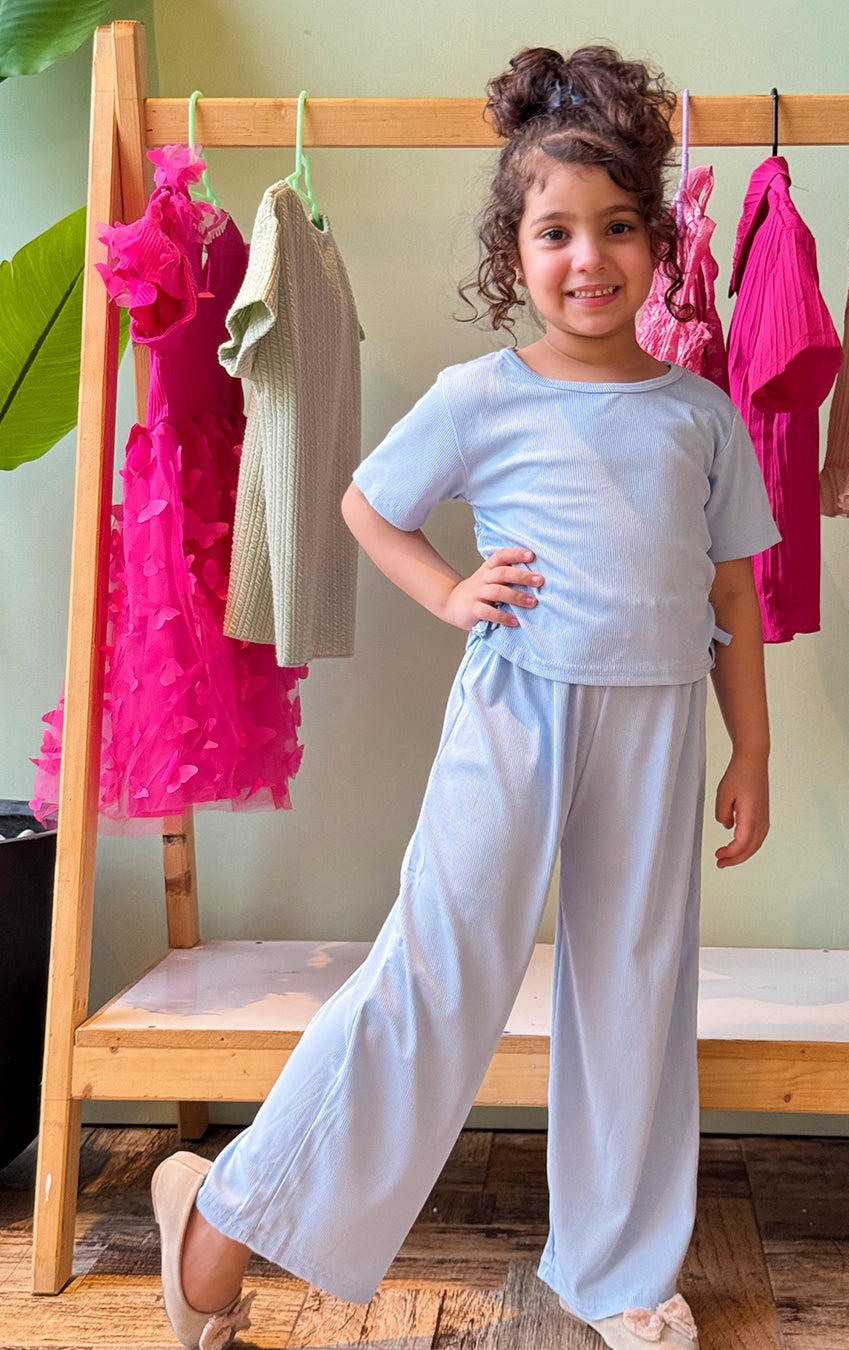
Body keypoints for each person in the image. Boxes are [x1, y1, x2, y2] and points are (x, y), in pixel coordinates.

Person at [151, 44, 780, 1350]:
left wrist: (752, 750)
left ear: (658, 239)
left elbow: (735, 595)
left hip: (660, 722)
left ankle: (616, 1270)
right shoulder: (478, 397)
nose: (589, 257)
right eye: (557, 231)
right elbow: (366, 506)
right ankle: (229, 1203)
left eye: (618, 226)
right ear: (515, 249)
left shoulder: (702, 416)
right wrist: (449, 593)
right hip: (516, 712)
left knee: (636, 991)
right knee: (436, 976)